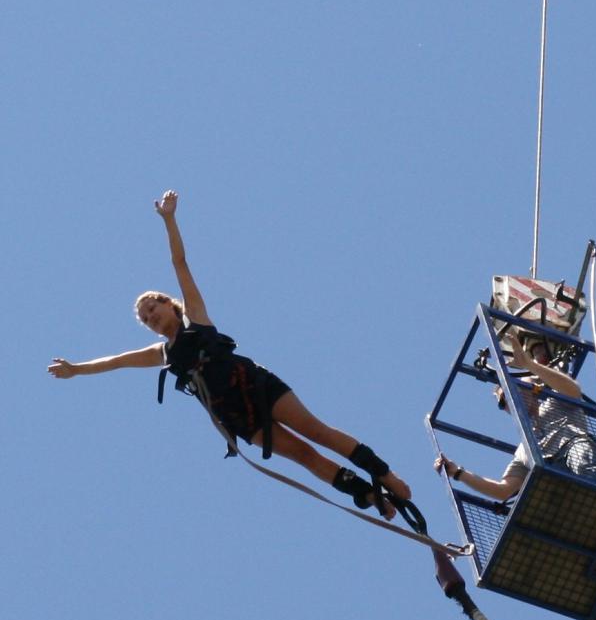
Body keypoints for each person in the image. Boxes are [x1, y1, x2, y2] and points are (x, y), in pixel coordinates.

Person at [48, 191, 411, 520]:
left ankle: (383, 473)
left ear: (168, 304)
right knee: (303, 456)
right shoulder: (163, 353)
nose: (150, 317)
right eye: (145, 318)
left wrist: (169, 220)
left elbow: (180, 263)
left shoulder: (195, 319)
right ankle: (368, 495)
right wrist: (76, 369)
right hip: (235, 414)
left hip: (254, 384)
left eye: (152, 308)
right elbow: (116, 361)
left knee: (316, 431)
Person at [435, 331, 596, 499]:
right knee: (543, 486)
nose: (510, 401)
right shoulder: (525, 448)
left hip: (576, 453)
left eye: (511, 392)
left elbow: (573, 391)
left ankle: (595, 492)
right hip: (556, 481)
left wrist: (530, 365)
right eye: (502, 402)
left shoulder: (555, 401)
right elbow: (503, 491)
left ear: (530, 390)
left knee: (580, 453)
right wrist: (458, 473)